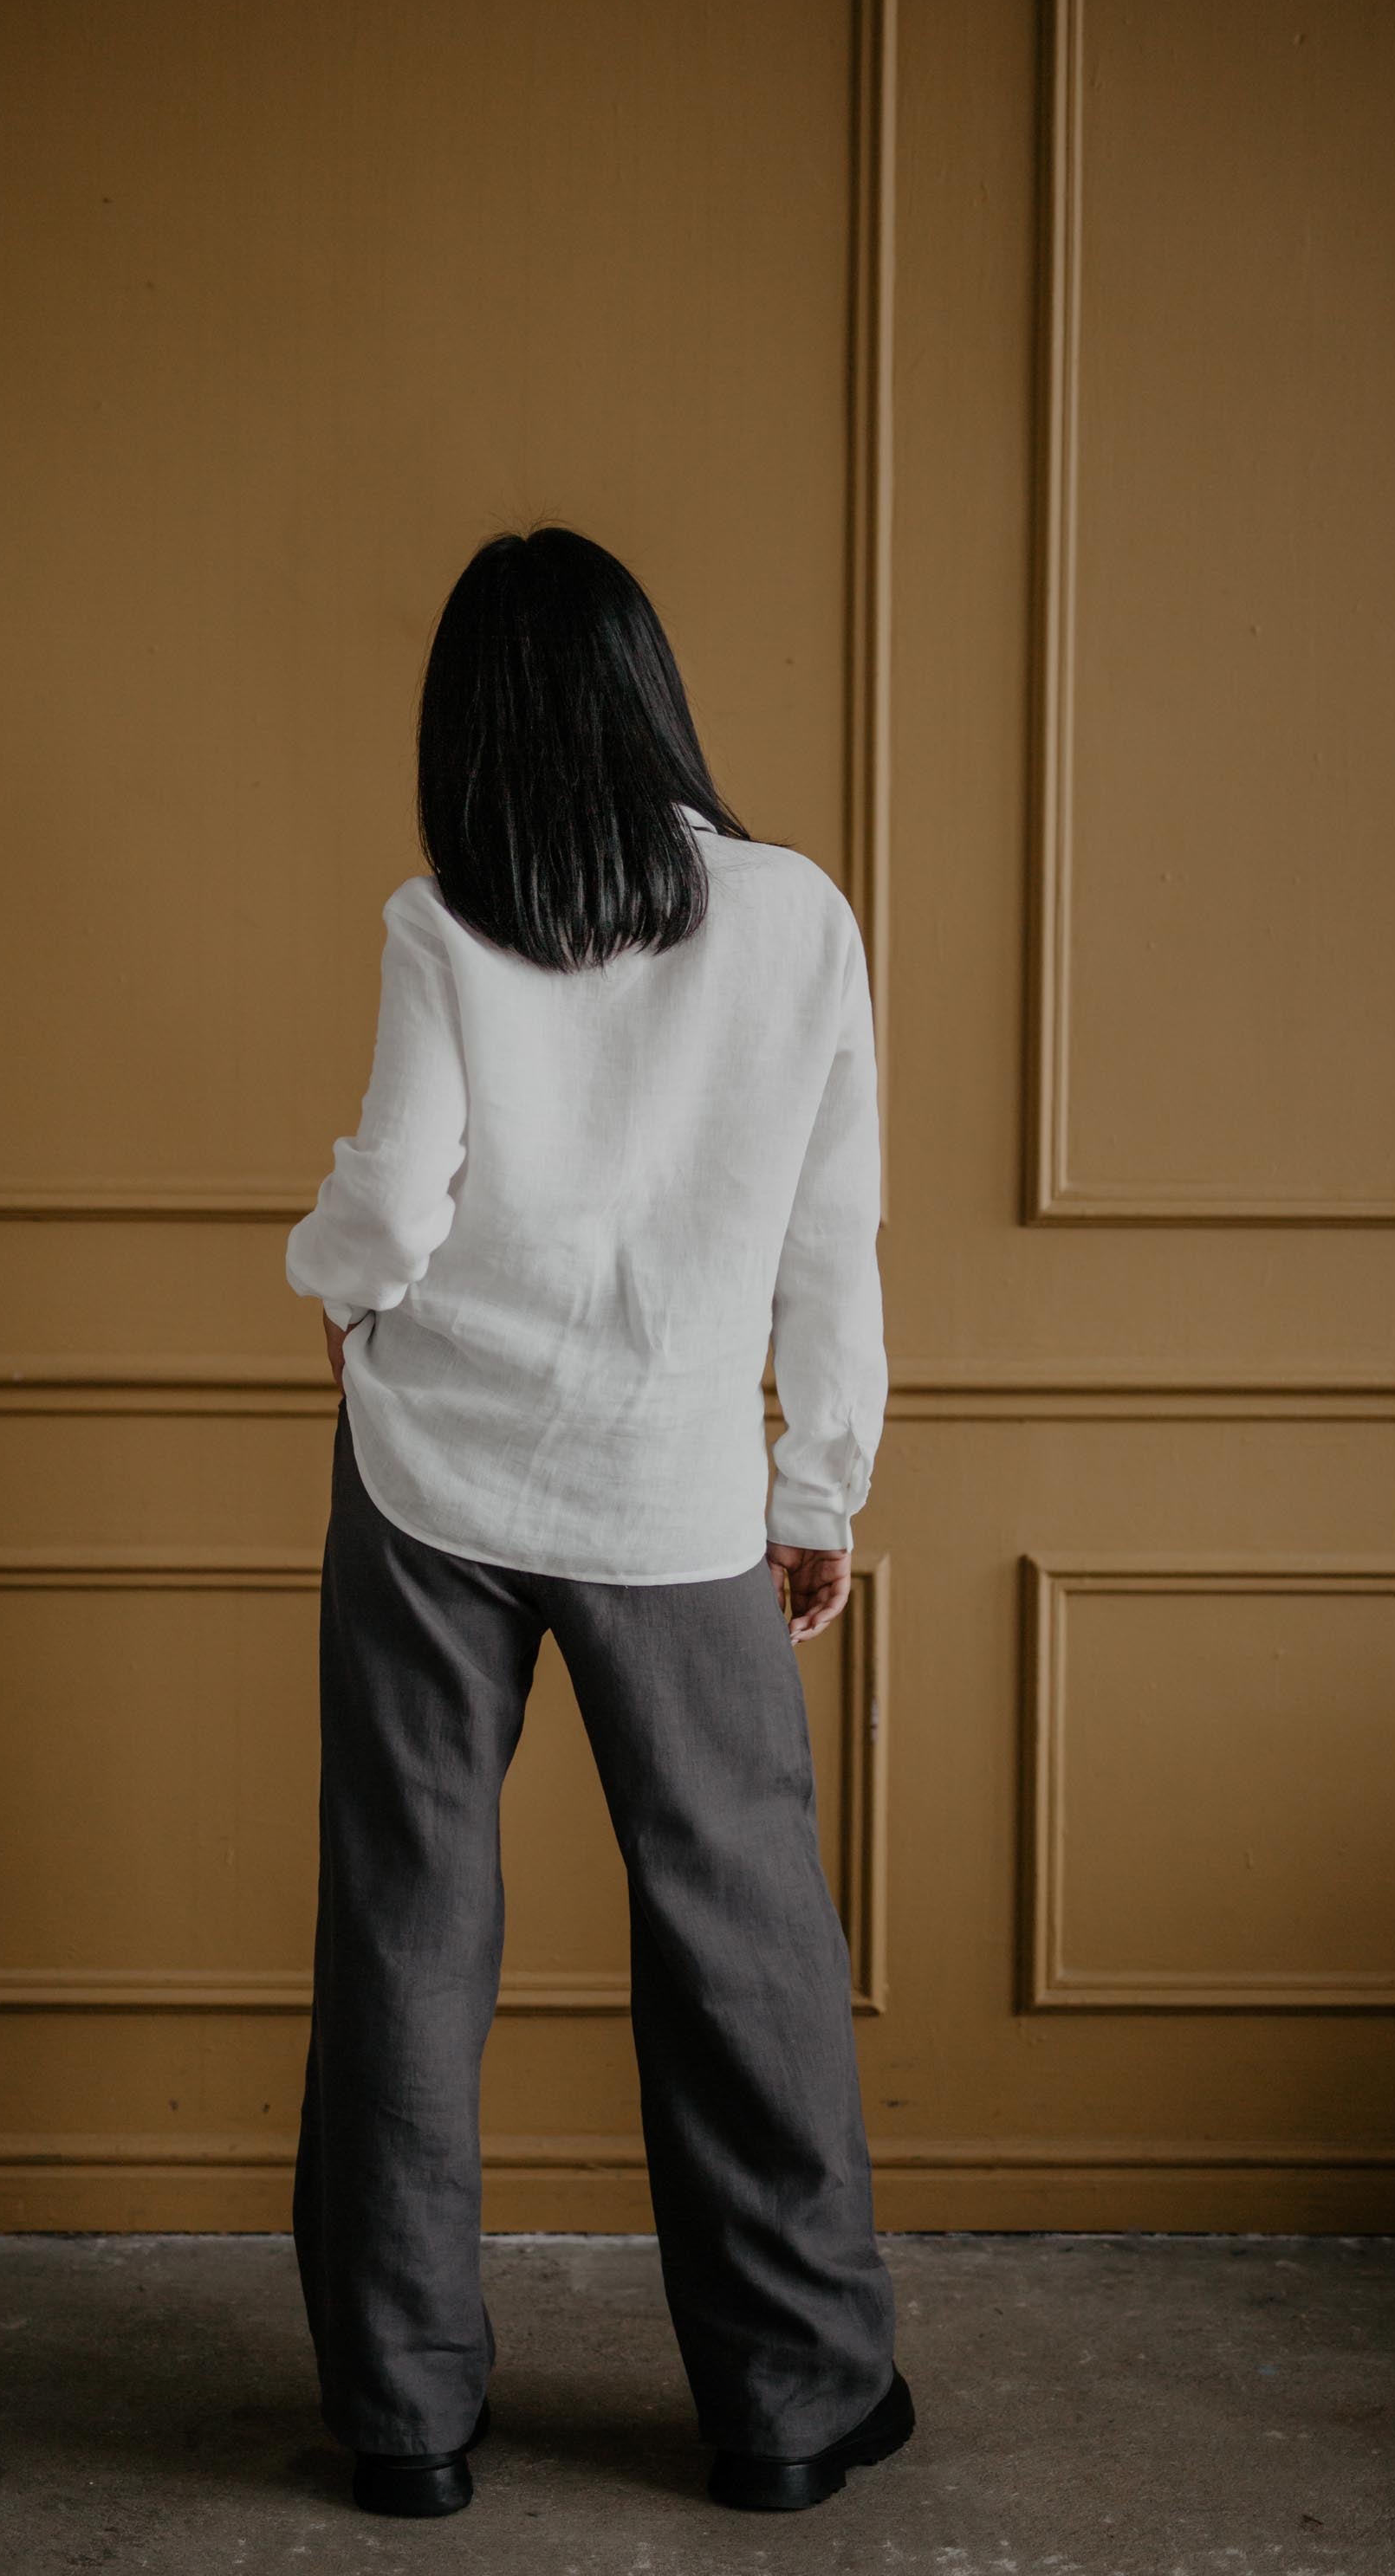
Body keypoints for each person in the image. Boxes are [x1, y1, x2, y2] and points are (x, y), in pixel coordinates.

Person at [282, 524, 913, 2519]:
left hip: (431, 1480)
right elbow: (833, 1235)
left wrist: (332, 1293)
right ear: (649, 692)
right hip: (676, 1489)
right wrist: (818, 1481)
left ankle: (402, 2421)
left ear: (468, 724)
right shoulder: (796, 916)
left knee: (406, 1921)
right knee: (744, 1929)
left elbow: (397, 1197)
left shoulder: (443, 918)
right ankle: (789, 2409)